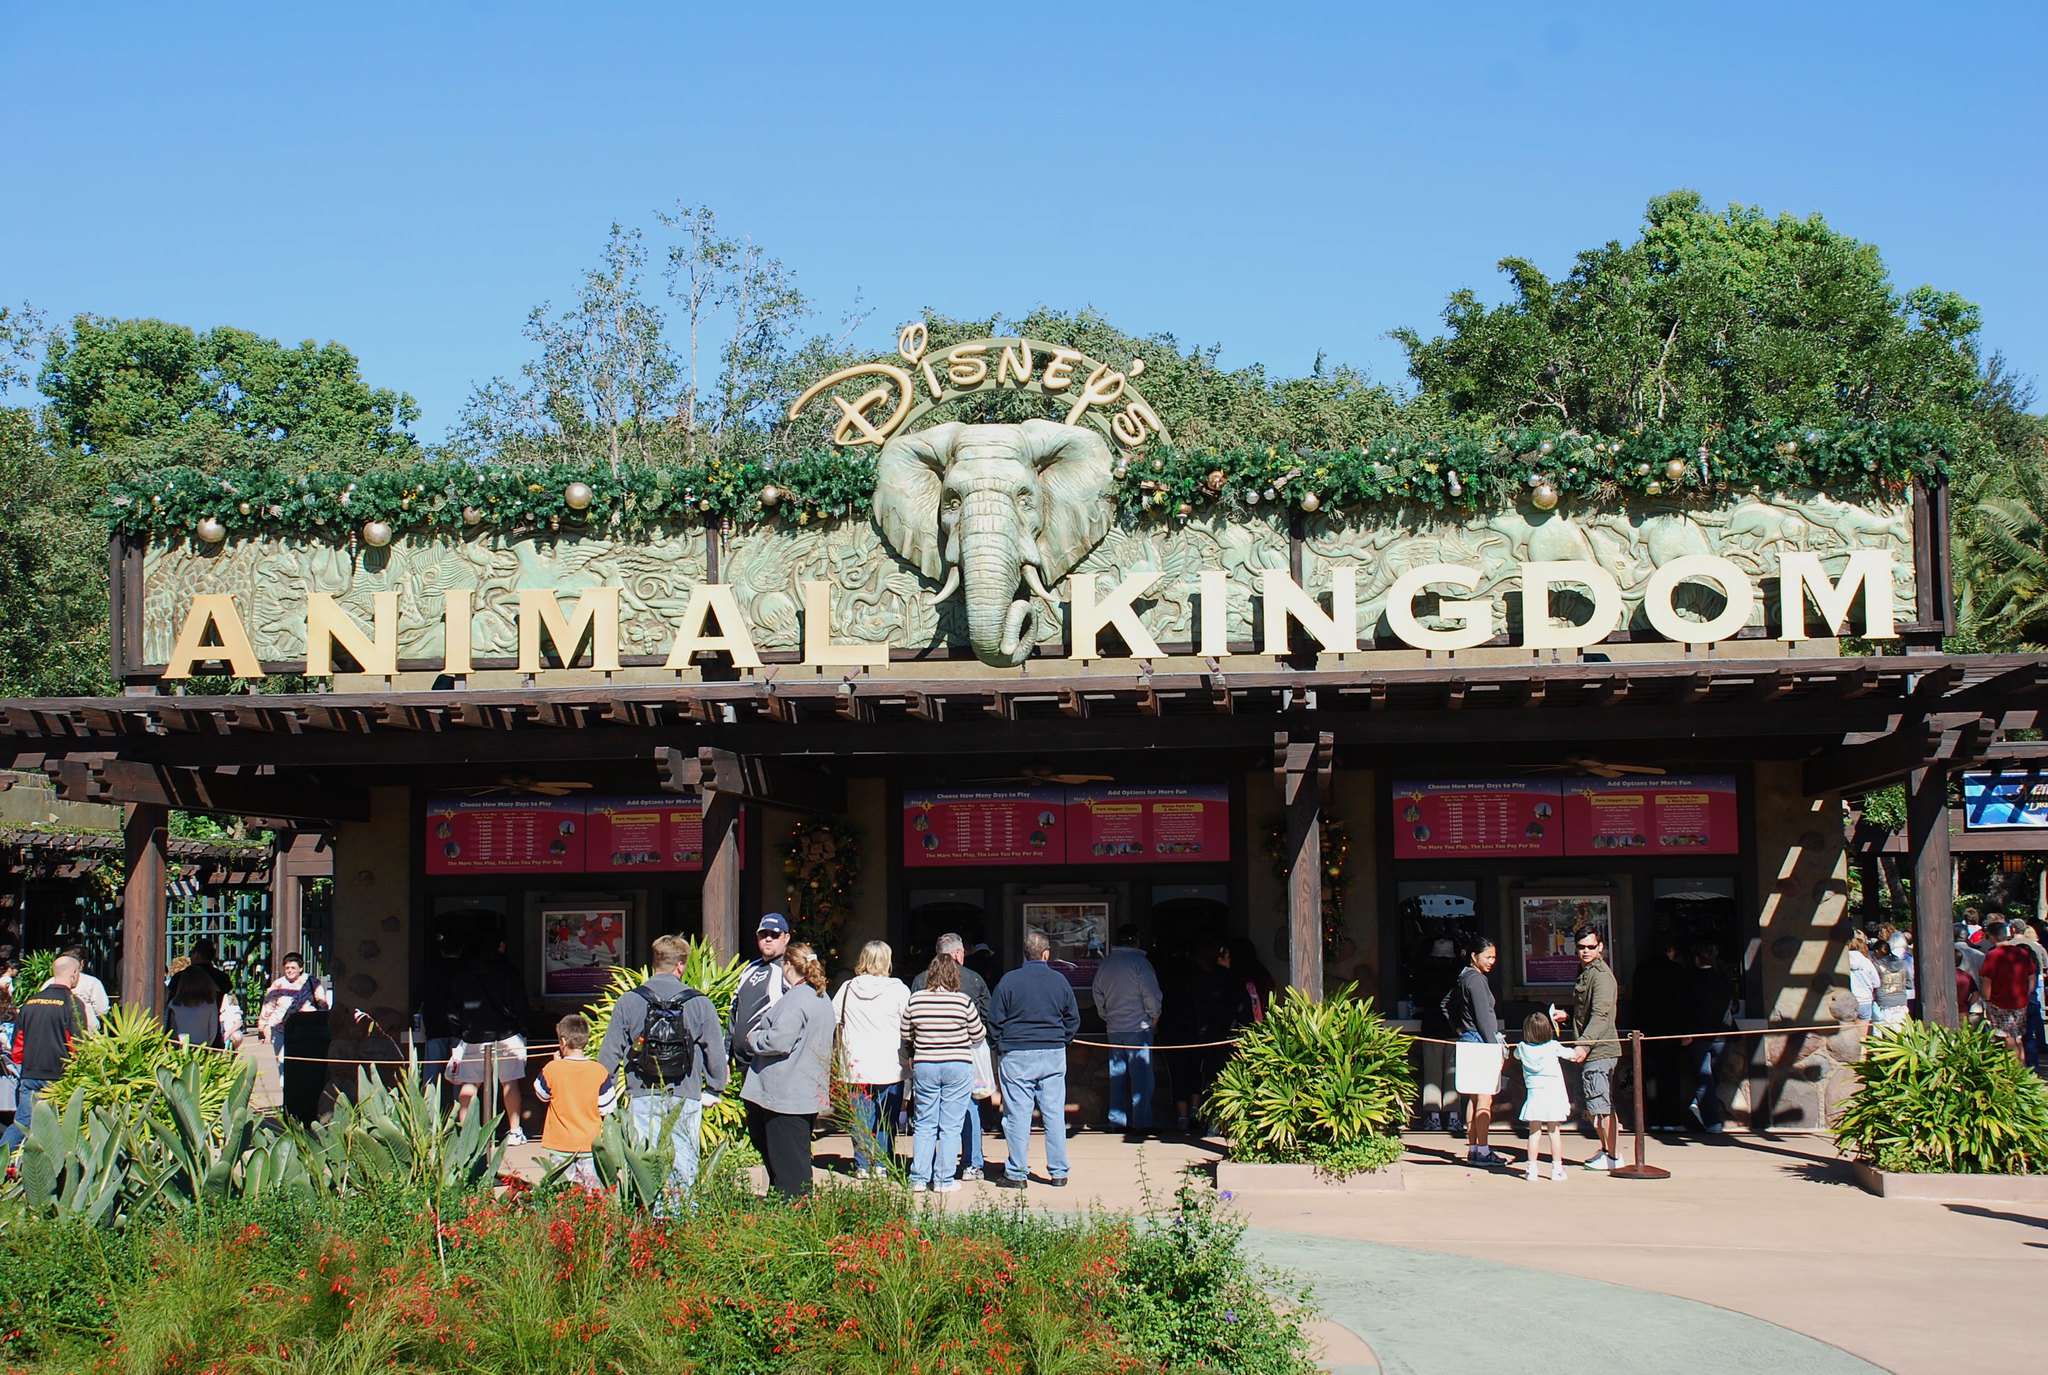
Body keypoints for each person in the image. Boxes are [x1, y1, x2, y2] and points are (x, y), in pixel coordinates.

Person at [597, 933, 730, 1196]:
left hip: (642, 1091)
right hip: (685, 1093)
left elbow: (611, 1051)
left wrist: (604, 1090)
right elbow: (714, 1049)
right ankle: (682, 1221)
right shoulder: (699, 1002)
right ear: (681, 965)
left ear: (656, 961)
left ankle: (650, 1222)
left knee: (646, 1163)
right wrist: (714, 1088)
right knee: (684, 1163)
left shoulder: (629, 1000)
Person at [742, 942, 835, 1198]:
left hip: (784, 1094)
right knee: (797, 1159)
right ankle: (795, 1210)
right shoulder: (821, 996)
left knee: (787, 1164)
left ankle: (792, 1214)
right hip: (807, 1089)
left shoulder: (796, 999)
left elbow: (778, 1041)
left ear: (787, 965)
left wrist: (754, 1037)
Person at [990, 929, 1080, 1188]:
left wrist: (999, 1046)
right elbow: (1072, 1018)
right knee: (1053, 1114)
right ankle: (1059, 1172)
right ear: (1046, 954)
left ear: (1024, 954)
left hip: (1016, 1053)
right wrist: (1063, 1039)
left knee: (1017, 1115)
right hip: (1052, 1051)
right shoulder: (1060, 981)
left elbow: (994, 1019)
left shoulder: (1008, 981)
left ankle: (1017, 1173)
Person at [902, 952, 987, 1193]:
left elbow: (906, 1032)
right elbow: (978, 1034)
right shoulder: (962, 1001)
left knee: (925, 1123)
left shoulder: (916, 1000)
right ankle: (943, 1178)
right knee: (951, 1125)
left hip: (926, 1063)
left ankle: (919, 1177)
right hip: (957, 1065)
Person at [832, 939, 911, 1177]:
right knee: (887, 1118)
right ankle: (882, 1163)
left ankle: (863, 1164)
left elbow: (834, 1019)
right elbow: (909, 1024)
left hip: (856, 1065)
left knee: (860, 1119)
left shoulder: (846, 988)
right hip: (889, 1065)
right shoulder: (898, 990)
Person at [445, 928, 531, 1141]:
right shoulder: (509, 970)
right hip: (507, 1033)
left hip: (473, 1034)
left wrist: (458, 1035)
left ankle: (465, 1133)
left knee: (470, 1083)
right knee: (510, 1082)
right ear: (500, 945)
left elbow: (453, 1007)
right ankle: (514, 1131)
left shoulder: (464, 972)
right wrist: (523, 1028)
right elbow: (520, 1003)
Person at [2, 955, 82, 1155]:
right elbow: (79, 1043)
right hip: (59, 1076)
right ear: (74, 974)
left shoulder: (31, 1002)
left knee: (22, 1124)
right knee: (61, 1126)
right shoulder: (72, 1003)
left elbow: (18, 1042)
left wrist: (24, 1066)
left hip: (30, 1073)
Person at [1092, 925, 1163, 1140]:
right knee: (1141, 1078)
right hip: (1138, 1027)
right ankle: (1141, 1122)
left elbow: (1097, 992)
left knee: (1117, 1075)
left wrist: (1106, 1014)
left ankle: (1117, 1120)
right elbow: (1151, 995)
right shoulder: (1140, 963)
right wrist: (1154, 1017)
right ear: (1137, 941)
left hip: (1114, 1027)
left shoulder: (1107, 963)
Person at [1559, 928, 1622, 1172]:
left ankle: (1614, 1155)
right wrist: (1568, 1014)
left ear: (1601, 947)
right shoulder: (1585, 972)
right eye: (1582, 947)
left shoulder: (1602, 976)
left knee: (1600, 1107)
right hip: (1592, 1048)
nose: (1586, 951)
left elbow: (1601, 1016)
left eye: (1591, 947)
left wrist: (1583, 1045)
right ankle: (1607, 1150)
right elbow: (1586, 1010)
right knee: (1597, 1106)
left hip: (1600, 1050)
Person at [534, 1013, 618, 1185]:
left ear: (563, 1042)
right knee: (593, 1194)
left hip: (560, 1145)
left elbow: (541, 1094)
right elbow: (607, 1107)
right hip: (590, 1145)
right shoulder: (599, 1071)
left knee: (563, 1195)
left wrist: (556, 1062)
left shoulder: (552, 1068)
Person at [1452, 936, 1506, 1165]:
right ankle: (1482, 1150)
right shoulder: (1476, 980)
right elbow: (1484, 1018)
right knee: (1484, 1099)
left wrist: (1459, 1028)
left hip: (1468, 1039)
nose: (1492, 961)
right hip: (1482, 1042)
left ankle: (1474, 1147)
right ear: (1474, 956)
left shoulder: (1464, 977)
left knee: (1473, 1098)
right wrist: (1495, 1050)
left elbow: (1447, 1004)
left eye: (1494, 957)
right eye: (1488, 957)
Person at [1517, 1011, 1587, 1180]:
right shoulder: (1553, 1046)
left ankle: (1531, 1169)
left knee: (1534, 1133)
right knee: (1554, 1133)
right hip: (1553, 1095)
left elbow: (1515, 1055)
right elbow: (1571, 1055)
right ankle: (1557, 1169)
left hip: (1534, 1095)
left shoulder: (1521, 1048)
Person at [1632, 937, 1687, 1132]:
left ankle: (1653, 1119)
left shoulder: (1642, 970)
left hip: (1647, 1031)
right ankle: (1672, 1120)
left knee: (1651, 1077)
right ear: (1670, 949)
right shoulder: (1677, 971)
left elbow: (1636, 1001)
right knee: (1671, 1076)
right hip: (1671, 1030)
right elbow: (1683, 1004)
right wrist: (1685, 1032)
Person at [1680, 942, 1734, 1133]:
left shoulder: (1689, 980)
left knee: (1704, 1080)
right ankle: (1701, 1110)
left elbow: (1686, 1010)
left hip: (1698, 1036)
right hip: (1723, 1035)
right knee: (1713, 1078)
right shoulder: (1725, 980)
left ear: (1697, 959)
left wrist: (1685, 1032)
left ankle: (1712, 1123)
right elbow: (1731, 1007)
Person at [1413, 937, 1463, 1134]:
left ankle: (1433, 1116)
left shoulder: (1425, 973)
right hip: (1454, 1028)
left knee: (1433, 1072)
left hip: (1431, 1026)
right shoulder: (1459, 975)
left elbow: (1418, 999)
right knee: (1453, 1073)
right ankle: (1453, 1117)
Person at [1978, 921, 2038, 1057]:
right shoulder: (2021, 952)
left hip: (2000, 1002)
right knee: (2018, 1037)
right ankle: (2023, 1067)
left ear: (1992, 936)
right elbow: (2032, 975)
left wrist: (1987, 999)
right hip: (2020, 1001)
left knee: (2007, 1037)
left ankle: (2014, 1071)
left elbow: (1987, 980)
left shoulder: (1993, 955)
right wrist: (2027, 992)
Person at [256, 952, 330, 1061]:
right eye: (287, 968)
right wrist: (263, 1025)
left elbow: (322, 1003)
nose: (289, 971)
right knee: (282, 1062)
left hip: (305, 1028)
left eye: (293, 968)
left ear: (300, 968)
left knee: (302, 1061)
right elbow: (268, 1005)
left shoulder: (312, 982)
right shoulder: (278, 984)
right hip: (280, 1029)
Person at [168, 961, 243, 1049]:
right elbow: (213, 1031)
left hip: (180, 1047)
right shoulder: (210, 1004)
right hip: (203, 1047)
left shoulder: (173, 1003)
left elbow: (170, 1028)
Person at [58, 948, 108, 1034]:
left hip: (59, 1033)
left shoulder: (49, 983)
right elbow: (101, 1010)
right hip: (87, 1035)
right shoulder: (92, 982)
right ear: (81, 963)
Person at [1871, 935, 1912, 1029]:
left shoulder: (1876, 965)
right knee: (1901, 1034)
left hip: (1883, 1004)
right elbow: (1909, 983)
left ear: (1877, 951)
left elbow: (1874, 984)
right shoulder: (1903, 964)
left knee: (1882, 1034)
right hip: (1901, 1002)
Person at [1846, 932, 1880, 1024]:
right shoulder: (1866, 962)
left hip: (1848, 1001)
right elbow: (1877, 983)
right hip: (1865, 1000)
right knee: (1863, 1036)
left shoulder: (1843, 962)